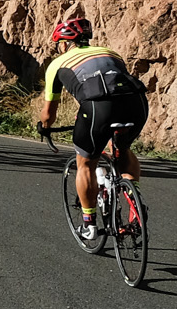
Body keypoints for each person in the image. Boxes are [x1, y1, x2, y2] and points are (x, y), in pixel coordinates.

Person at [36, 15, 147, 243]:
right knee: (122, 149)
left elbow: (48, 113)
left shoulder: (57, 64)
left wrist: (45, 127)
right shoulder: (111, 53)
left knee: (86, 162)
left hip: (98, 106)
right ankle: (135, 203)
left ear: (64, 44)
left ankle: (89, 225)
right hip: (137, 103)